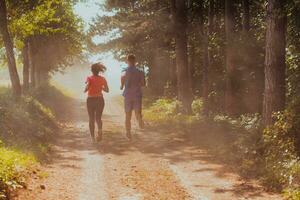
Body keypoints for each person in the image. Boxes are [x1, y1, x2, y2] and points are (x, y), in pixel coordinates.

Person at [121, 54, 145, 139]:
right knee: (138, 112)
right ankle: (140, 120)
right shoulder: (140, 71)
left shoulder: (124, 71)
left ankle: (128, 132)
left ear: (127, 61)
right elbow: (143, 83)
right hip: (137, 94)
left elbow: (122, 79)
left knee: (128, 115)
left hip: (127, 95)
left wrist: (122, 85)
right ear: (135, 61)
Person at [85, 63, 109, 142]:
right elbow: (107, 90)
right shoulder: (103, 79)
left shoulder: (89, 78)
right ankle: (100, 130)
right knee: (98, 118)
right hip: (99, 99)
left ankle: (92, 138)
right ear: (99, 71)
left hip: (91, 100)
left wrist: (86, 89)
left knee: (91, 118)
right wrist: (101, 87)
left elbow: (87, 86)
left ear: (91, 70)